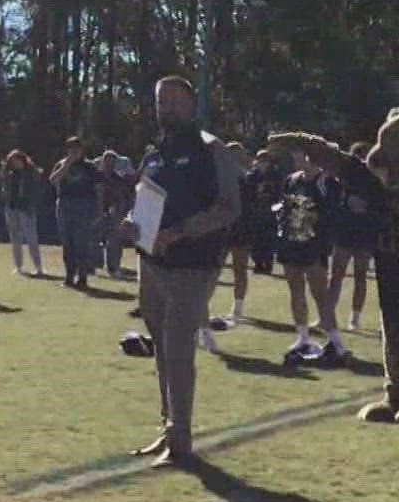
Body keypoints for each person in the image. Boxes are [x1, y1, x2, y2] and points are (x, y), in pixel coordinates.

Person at [119, 76, 242, 468]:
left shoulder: (211, 150)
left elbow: (229, 207)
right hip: (151, 264)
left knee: (177, 350)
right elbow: (143, 200)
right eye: (160, 100)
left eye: (174, 99)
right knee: (162, 350)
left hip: (192, 266)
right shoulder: (155, 153)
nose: (166, 107)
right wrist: (130, 223)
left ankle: (182, 441)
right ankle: (168, 428)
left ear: (191, 104)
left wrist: (181, 232)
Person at [306, 111, 399, 425]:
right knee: (393, 331)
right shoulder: (384, 190)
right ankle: (397, 393)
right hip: (392, 268)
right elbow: (354, 171)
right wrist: (315, 148)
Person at [275, 138, 347, 358]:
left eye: (300, 154)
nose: (296, 159)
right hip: (291, 242)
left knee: (319, 293)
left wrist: (316, 221)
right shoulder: (291, 180)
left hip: (313, 244)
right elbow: (284, 208)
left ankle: (335, 339)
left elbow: (334, 213)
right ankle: (302, 337)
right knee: (295, 290)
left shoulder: (327, 182)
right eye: (294, 154)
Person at [328, 141, 379, 332]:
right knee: (336, 275)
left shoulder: (375, 180)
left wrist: (367, 206)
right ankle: (328, 315)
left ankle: (355, 317)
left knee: (360, 275)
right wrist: (347, 202)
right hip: (345, 231)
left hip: (365, 232)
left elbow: (381, 205)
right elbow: (335, 201)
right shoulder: (344, 178)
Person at [50, 136, 101, 288]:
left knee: (82, 243)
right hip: (65, 205)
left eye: (77, 149)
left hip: (84, 206)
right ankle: (69, 277)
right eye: (71, 149)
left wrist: (98, 209)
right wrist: (66, 165)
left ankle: (83, 278)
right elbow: (53, 180)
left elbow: (98, 188)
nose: (74, 152)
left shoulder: (89, 166)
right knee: (67, 243)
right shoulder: (61, 164)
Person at [221, 141, 257, 321]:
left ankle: (238, 307)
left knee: (239, 268)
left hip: (241, 227)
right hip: (223, 227)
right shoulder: (220, 176)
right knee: (213, 267)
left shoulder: (248, 178)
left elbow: (250, 205)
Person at [1, 148, 46, 277]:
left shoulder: (31, 173)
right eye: (12, 161)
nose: (15, 164)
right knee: (15, 238)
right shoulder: (8, 174)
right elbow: (4, 189)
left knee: (31, 238)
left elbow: (36, 189)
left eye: (17, 161)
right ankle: (18, 266)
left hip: (26, 209)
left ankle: (38, 267)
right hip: (12, 208)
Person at [241, 149, 280, 279]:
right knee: (256, 239)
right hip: (255, 212)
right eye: (261, 161)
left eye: (266, 161)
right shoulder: (251, 176)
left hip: (270, 212)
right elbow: (247, 195)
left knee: (268, 239)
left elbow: (280, 194)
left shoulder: (275, 176)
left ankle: (268, 264)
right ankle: (258, 264)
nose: (263, 164)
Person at [98, 150, 136, 279]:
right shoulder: (96, 176)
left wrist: (116, 209)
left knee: (114, 241)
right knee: (93, 238)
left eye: (111, 160)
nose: (108, 163)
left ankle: (113, 267)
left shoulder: (118, 179)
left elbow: (122, 196)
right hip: (97, 211)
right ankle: (92, 265)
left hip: (115, 211)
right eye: (106, 160)